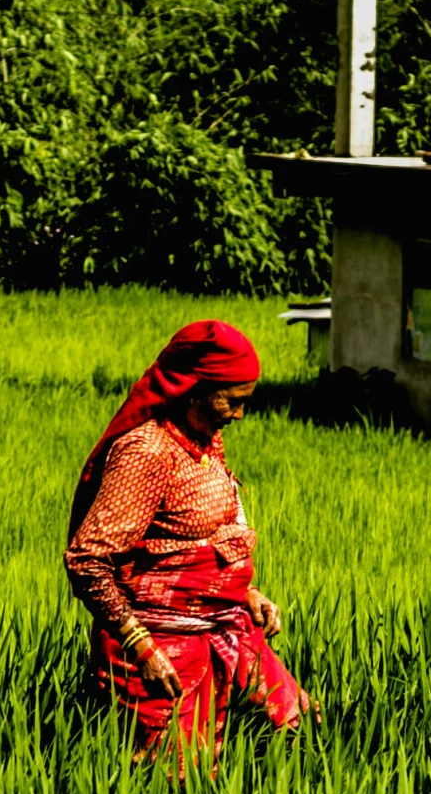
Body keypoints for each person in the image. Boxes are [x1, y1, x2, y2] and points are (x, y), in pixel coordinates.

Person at [65, 320, 309, 762]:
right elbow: (88, 560)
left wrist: (245, 592)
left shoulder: (203, 440)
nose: (238, 415)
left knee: (294, 726)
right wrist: (139, 645)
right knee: (175, 780)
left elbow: (202, 533)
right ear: (191, 389)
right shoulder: (147, 452)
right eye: (232, 402)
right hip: (160, 646)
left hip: (224, 627)